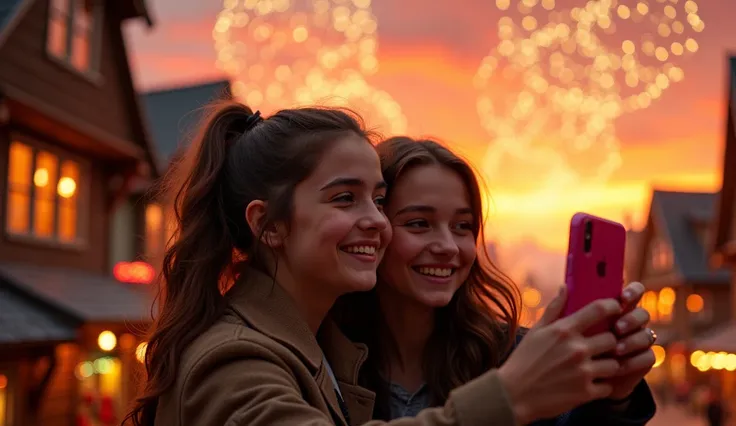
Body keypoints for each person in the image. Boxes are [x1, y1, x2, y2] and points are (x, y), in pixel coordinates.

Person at [124, 102, 628, 426]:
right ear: (268, 225)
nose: (375, 222)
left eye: (379, 199)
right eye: (345, 198)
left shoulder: (311, 346)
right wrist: (509, 396)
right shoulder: (234, 358)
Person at [334, 137, 658, 424]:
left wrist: (615, 400)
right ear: (373, 229)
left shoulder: (517, 356)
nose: (448, 246)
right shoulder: (320, 362)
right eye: (419, 223)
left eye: (462, 226)